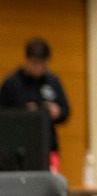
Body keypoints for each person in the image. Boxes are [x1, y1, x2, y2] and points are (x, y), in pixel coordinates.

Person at [0, 38, 70, 172]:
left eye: (43, 63)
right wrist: (25, 113)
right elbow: (3, 115)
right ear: (27, 60)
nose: (39, 67)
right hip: (17, 150)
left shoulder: (52, 81)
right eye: (35, 63)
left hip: (48, 147)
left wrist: (56, 111)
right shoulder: (12, 83)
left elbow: (66, 111)